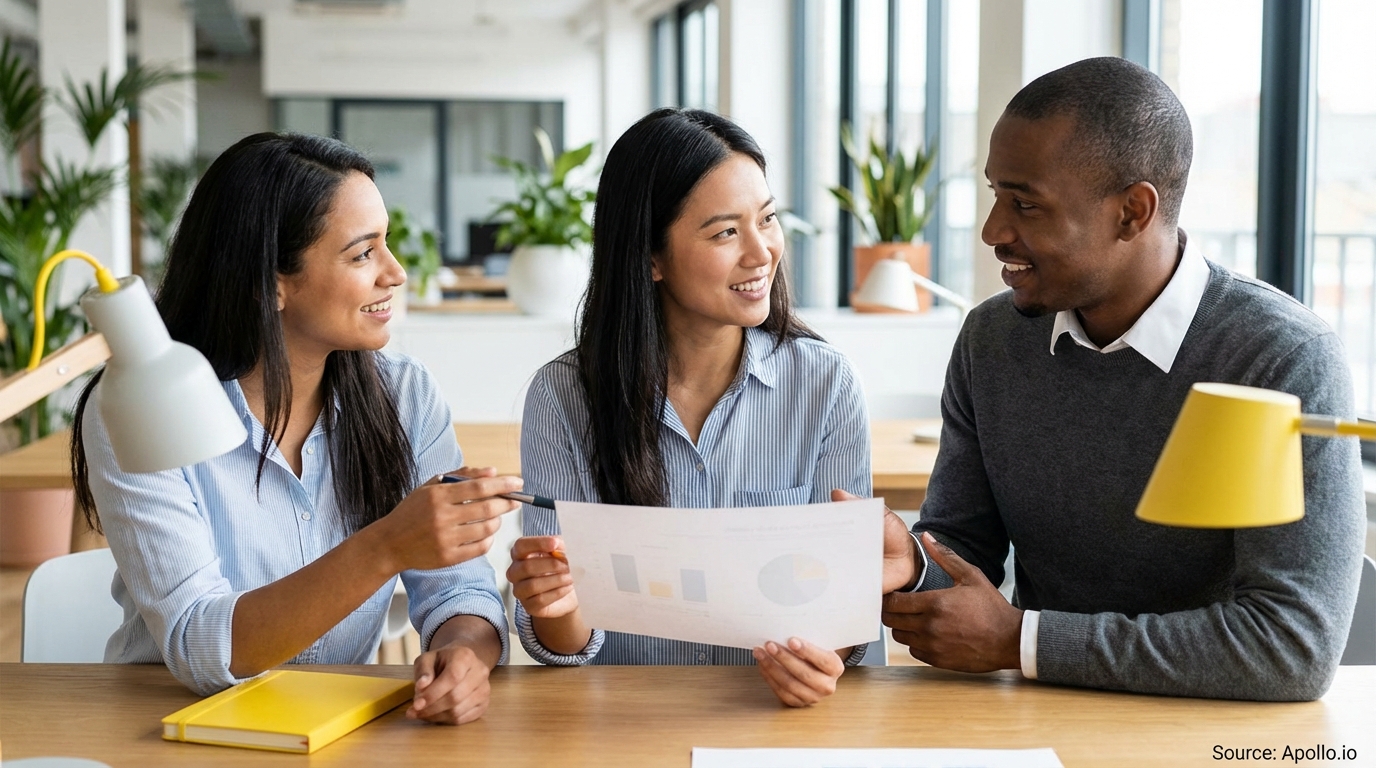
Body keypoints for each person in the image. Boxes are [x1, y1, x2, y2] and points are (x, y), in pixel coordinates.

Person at [877, 57, 1366, 701]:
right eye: (995, 195)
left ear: (1133, 211)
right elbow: (962, 563)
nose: (995, 232)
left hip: (1221, 737)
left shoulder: (1281, 359)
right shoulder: (994, 340)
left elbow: (1290, 648)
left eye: (1025, 203)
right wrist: (913, 567)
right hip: (1038, 721)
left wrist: (1023, 640)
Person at [72, 132, 522, 724]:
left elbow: (460, 593)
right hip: (167, 729)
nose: (396, 273)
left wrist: (462, 653)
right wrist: (386, 545)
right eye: (363, 254)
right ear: (273, 280)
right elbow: (197, 642)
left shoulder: (405, 396)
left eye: (386, 246)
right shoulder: (140, 405)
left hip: (334, 730)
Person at [505, 108, 873, 707]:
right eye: (725, 232)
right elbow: (567, 646)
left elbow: (843, 614)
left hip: (775, 717)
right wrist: (556, 601)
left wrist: (824, 657)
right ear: (650, 257)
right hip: (630, 722)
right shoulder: (565, 397)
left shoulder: (824, 384)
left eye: (768, 219)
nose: (762, 253)